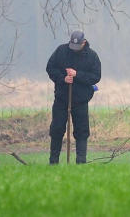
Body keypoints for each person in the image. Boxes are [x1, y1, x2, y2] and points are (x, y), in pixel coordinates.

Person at [46, 30, 102, 164]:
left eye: (78, 46)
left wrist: (77, 75)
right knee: (57, 129)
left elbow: (96, 77)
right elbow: (50, 68)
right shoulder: (61, 51)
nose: (75, 49)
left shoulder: (92, 56)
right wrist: (63, 78)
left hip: (81, 100)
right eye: (73, 45)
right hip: (61, 98)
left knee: (82, 131)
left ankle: (81, 162)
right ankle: (53, 162)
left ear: (84, 42)